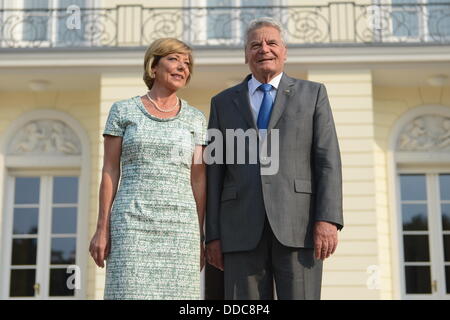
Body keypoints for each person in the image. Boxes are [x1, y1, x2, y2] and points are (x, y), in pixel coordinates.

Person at [205, 17, 343, 300]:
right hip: (239, 229)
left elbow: (327, 160)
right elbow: (214, 172)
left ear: (285, 51)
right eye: (255, 45)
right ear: (246, 55)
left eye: (271, 43)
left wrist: (328, 219)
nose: (263, 49)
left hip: (300, 226)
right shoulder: (222, 102)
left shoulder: (313, 94)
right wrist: (213, 235)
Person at [89, 38, 207, 300]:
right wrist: (102, 227)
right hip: (131, 224)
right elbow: (110, 170)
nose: (182, 67)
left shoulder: (196, 119)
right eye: (174, 59)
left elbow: (198, 180)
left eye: (187, 63)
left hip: (181, 228)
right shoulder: (122, 110)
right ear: (153, 66)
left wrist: (200, 236)